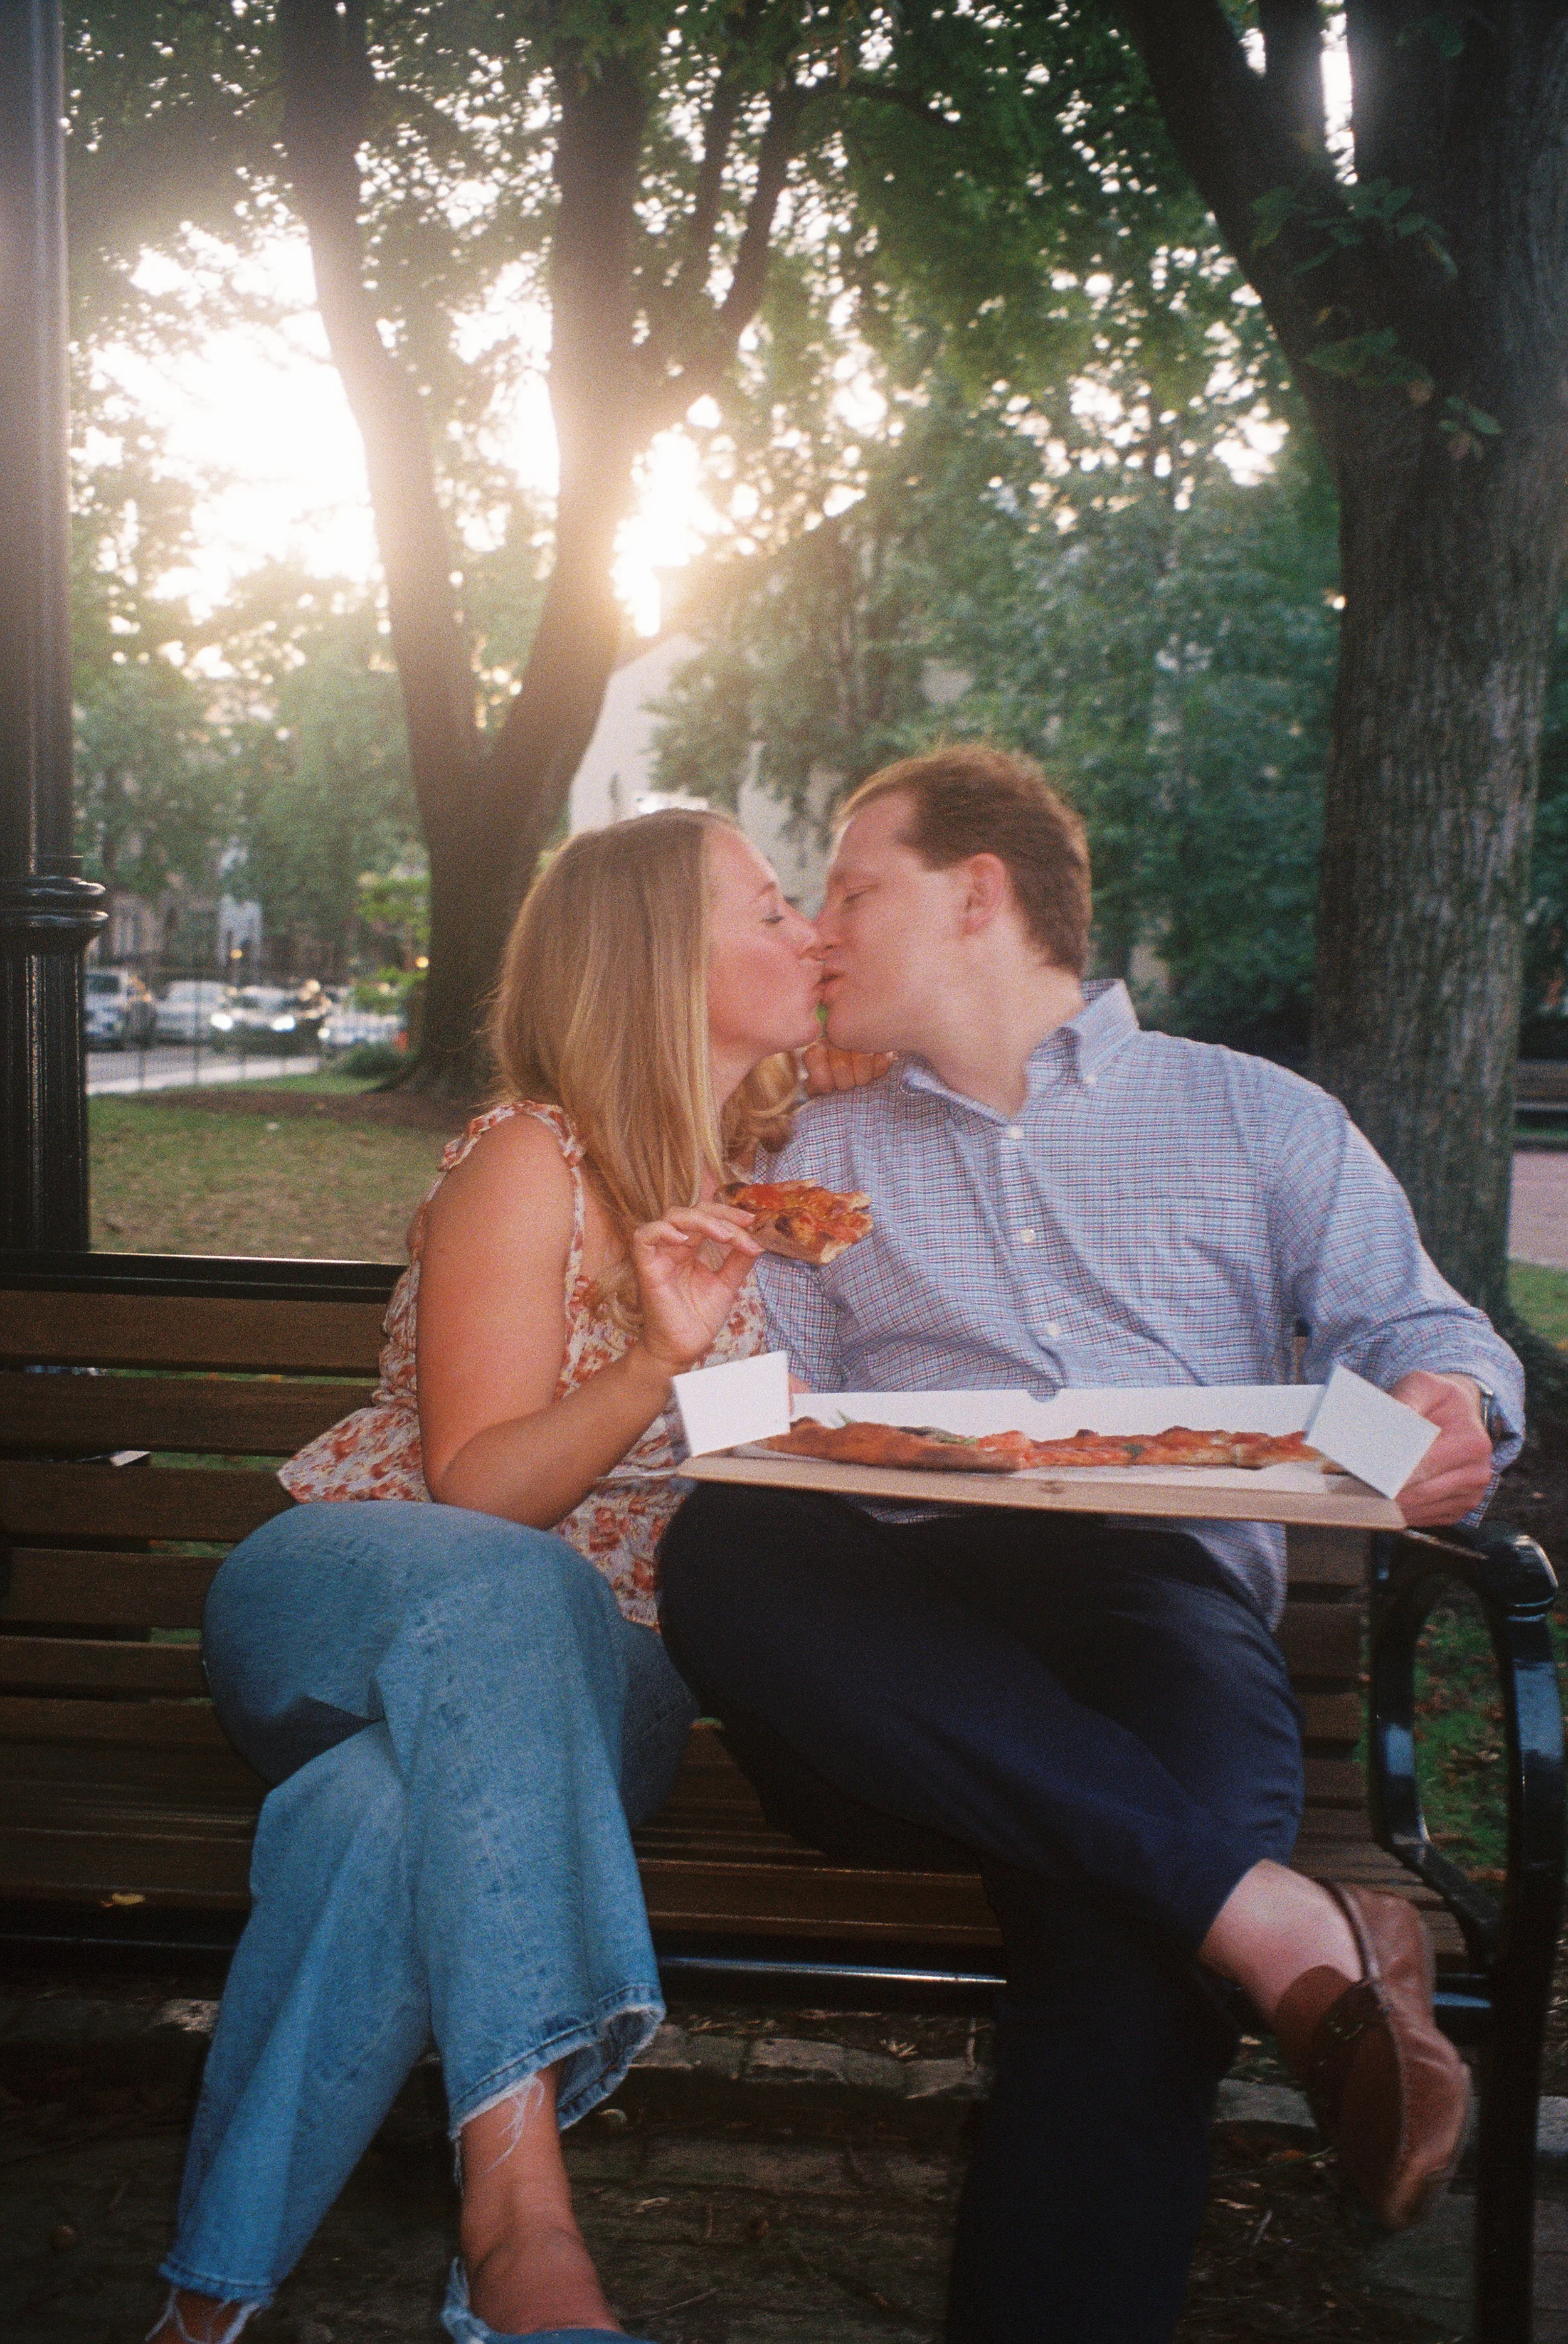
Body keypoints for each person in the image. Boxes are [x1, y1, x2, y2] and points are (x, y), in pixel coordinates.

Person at [658, 744, 1525, 2344]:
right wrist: (708, 1341)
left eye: (852, 887)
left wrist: (1448, 1395)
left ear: (977, 893)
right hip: (895, 1664)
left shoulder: (1251, 1113)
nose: (823, 926)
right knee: (728, 1549)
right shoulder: (806, 1162)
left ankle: (1212, 1905)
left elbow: (1422, 1322)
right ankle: (1274, 1919)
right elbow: (754, 1422)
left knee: (1121, 1949)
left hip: (1154, 1612)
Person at [147, 809, 829, 2344]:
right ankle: (520, 2218)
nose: (809, 934)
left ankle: (202, 2308)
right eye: (772, 907)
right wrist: (657, 1356)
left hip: (601, 1680)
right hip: (362, 1593)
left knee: (378, 1811)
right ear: (660, 959)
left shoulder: (767, 1186)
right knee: (512, 1590)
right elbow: (477, 1490)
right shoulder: (536, 1156)